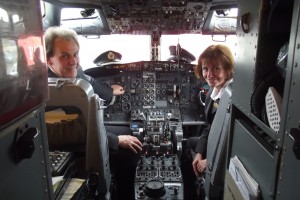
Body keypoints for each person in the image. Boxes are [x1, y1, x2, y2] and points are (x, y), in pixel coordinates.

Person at [44, 26, 142, 199]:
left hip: (84, 131)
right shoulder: (43, 89)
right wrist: (114, 139)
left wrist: (111, 91)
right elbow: (69, 131)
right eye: (65, 56)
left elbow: (97, 88)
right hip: (70, 143)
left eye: (75, 54)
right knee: (129, 149)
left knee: (129, 133)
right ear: (49, 60)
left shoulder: (77, 72)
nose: (73, 61)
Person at [184, 45, 234, 199]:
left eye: (216, 69)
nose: (209, 74)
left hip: (227, 152)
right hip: (215, 141)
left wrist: (210, 160)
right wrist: (199, 154)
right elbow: (209, 126)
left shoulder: (232, 97)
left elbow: (230, 138)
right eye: (205, 68)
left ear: (227, 69)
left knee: (188, 144)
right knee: (190, 144)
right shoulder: (213, 93)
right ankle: (191, 190)